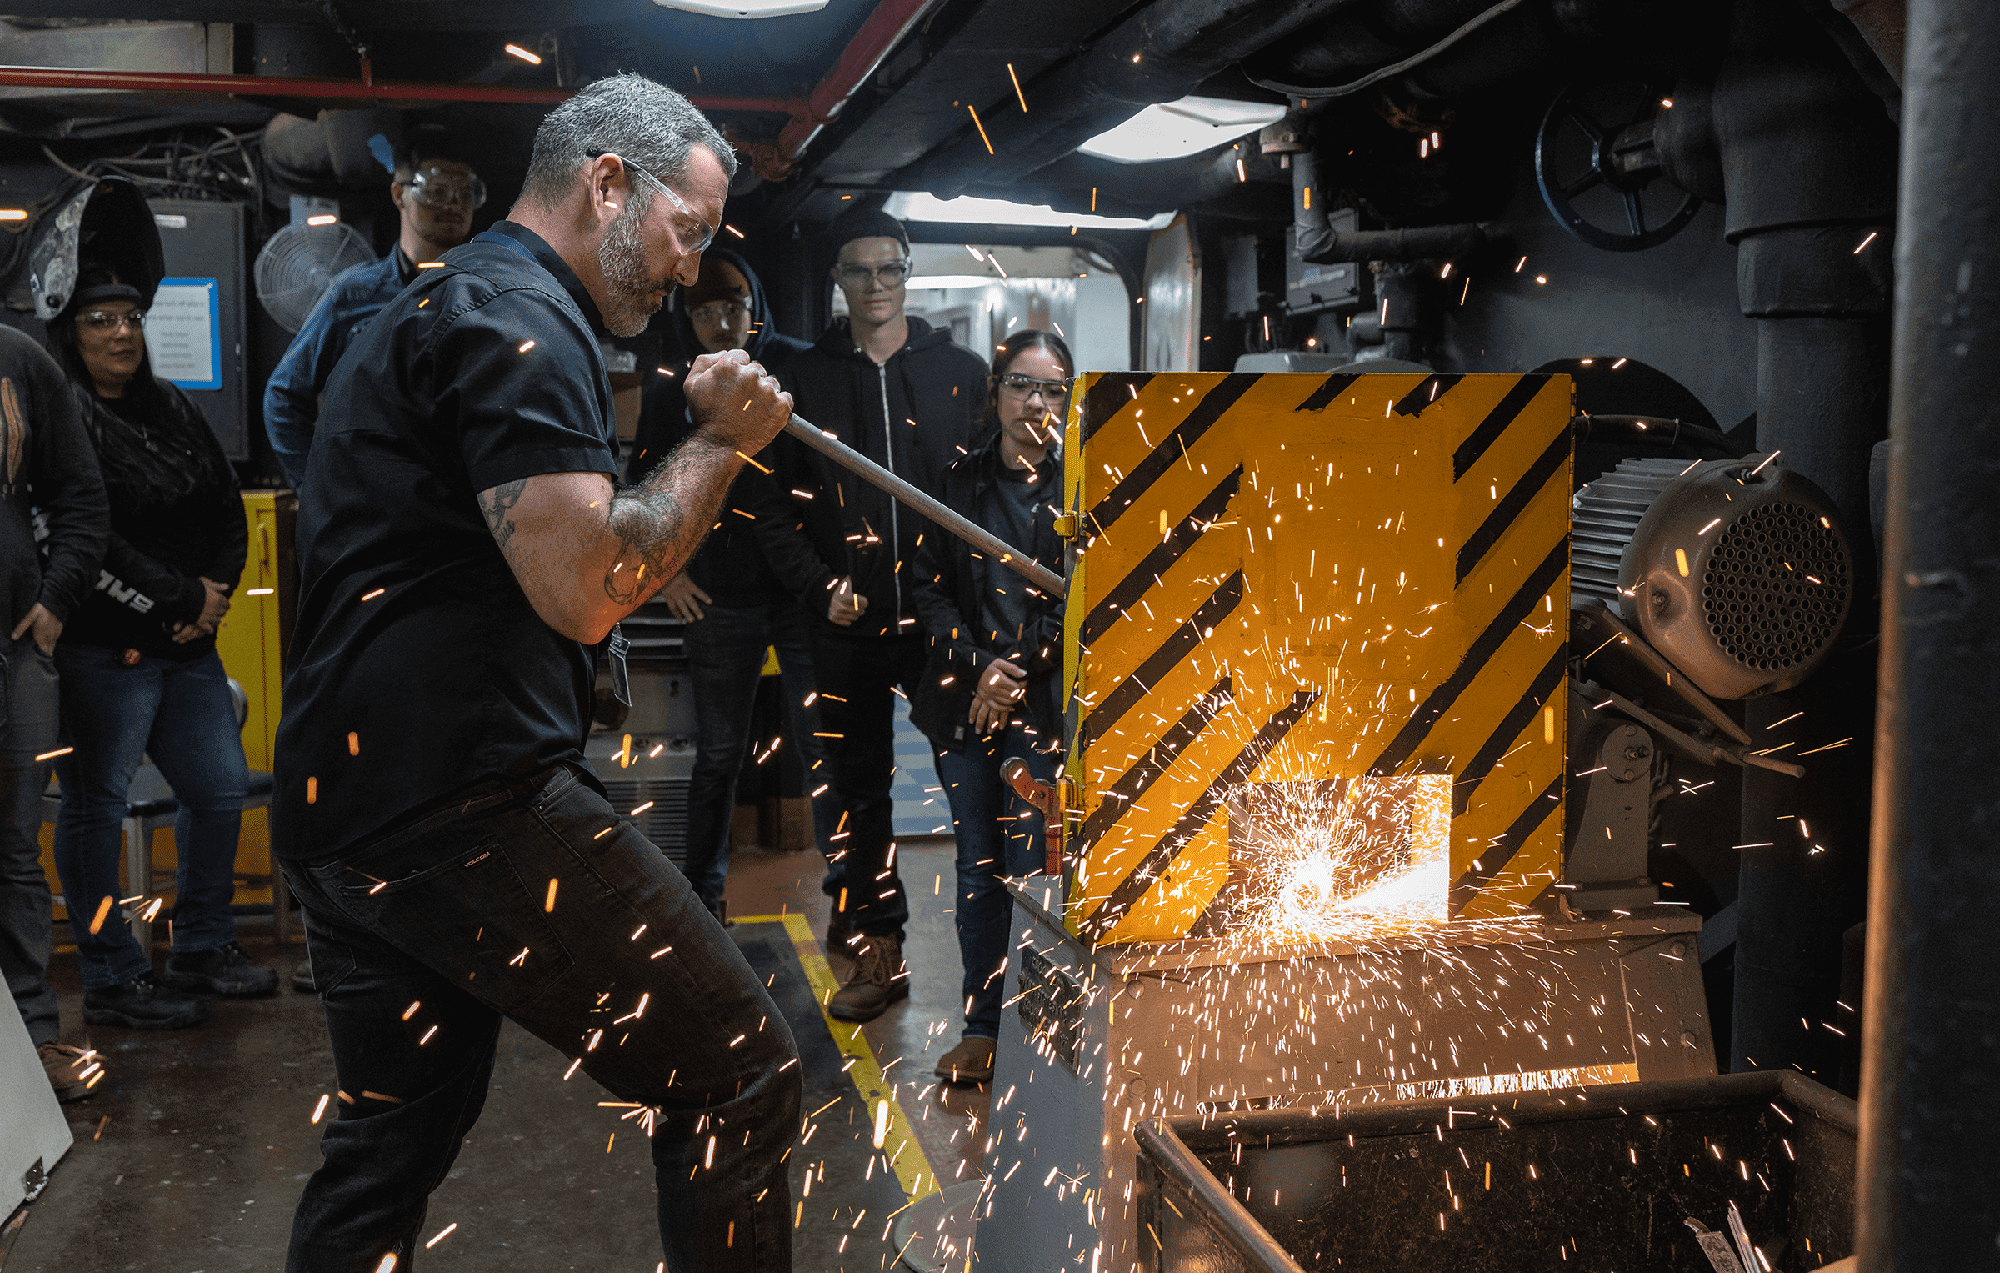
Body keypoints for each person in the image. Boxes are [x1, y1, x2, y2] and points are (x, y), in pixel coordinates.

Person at [271, 74, 801, 1273]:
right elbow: (591, 585)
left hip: (346, 802)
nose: (687, 270)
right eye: (688, 231)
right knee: (740, 1077)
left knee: (388, 1151)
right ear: (608, 183)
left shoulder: (447, 298)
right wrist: (721, 442)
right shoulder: (521, 322)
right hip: (459, 799)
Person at [754, 207, 987, 1023]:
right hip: (844, 622)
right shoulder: (805, 382)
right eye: (861, 271)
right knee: (857, 794)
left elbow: (984, 498)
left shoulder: (962, 372)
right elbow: (771, 507)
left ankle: (991, 973)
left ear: (909, 271)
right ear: (839, 282)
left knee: (977, 788)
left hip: (941, 625)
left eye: (891, 268)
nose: (878, 284)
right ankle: (878, 943)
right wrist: (821, 587)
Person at [47, 269, 277, 1030]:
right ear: (70, 334)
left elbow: (227, 505)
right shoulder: (63, 420)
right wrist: (181, 599)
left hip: (188, 645)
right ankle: (113, 976)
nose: (121, 333)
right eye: (100, 321)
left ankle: (202, 946)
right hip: (104, 652)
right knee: (96, 810)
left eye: (131, 318)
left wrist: (214, 595)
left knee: (218, 792)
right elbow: (90, 537)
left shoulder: (172, 407)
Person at [627, 250, 836, 923]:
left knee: (822, 747)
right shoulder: (671, 392)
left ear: (756, 309)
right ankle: (702, 899)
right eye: (706, 309)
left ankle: (854, 900)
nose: (722, 320)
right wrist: (671, 573)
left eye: (734, 306)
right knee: (719, 755)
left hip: (800, 591)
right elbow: (642, 491)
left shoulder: (796, 371)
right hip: (717, 595)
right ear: (688, 318)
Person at [911, 330, 1070, 1085]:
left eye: (1052, 390)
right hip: (965, 708)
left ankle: (1036, 1030)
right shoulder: (958, 482)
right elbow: (927, 587)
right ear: (995, 394)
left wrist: (1015, 673)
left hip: (1040, 712)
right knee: (977, 869)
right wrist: (978, 668)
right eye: (1020, 385)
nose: (1035, 403)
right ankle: (981, 1026)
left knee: (1033, 866)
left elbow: (1075, 604)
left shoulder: (1081, 491)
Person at [0, 323, 110, 1098]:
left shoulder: (17, 359)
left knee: (12, 851)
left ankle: (31, 1041)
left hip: (13, 655)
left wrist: (54, 604)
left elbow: (81, 495)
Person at [263, 148, 484, 489]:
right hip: (376, 507)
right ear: (400, 194)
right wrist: (318, 495)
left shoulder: (488, 296)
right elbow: (284, 397)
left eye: (464, 194)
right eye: (436, 191)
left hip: (458, 508)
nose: (452, 205)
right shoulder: (354, 294)